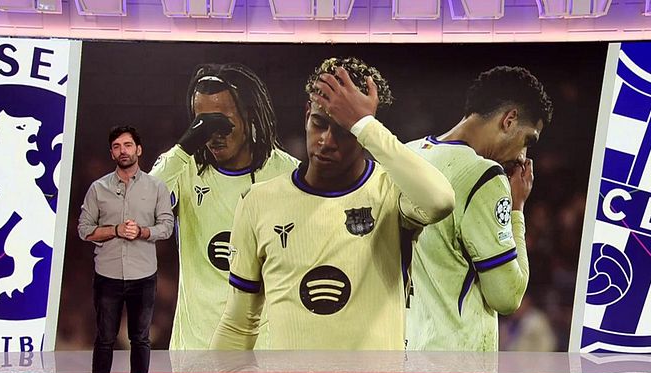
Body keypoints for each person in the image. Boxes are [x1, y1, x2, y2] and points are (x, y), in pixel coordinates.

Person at [210, 57, 455, 350]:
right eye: (319, 124)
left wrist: (365, 125)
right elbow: (238, 325)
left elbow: (440, 201)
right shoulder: (258, 202)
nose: (326, 141)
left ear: (364, 134)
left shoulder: (392, 193)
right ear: (307, 114)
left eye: (343, 131)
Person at [150, 63, 298, 350]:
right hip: (196, 353)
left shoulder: (288, 174)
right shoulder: (182, 169)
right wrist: (184, 147)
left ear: (249, 115)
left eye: (222, 121)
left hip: (265, 353)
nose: (213, 133)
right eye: (202, 123)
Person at [405, 66, 553, 351]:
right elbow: (507, 297)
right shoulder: (483, 175)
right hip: (455, 366)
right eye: (527, 140)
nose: (523, 157)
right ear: (509, 120)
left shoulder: (408, 153)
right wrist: (517, 209)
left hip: (403, 353)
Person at [76, 126, 174, 373]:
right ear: (112, 153)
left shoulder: (156, 187)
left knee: (140, 339)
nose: (123, 151)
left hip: (143, 274)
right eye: (117, 146)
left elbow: (167, 226)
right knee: (105, 337)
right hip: (107, 275)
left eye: (128, 145)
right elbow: (84, 230)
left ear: (138, 150)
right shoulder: (98, 189)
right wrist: (115, 230)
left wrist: (142, 231)